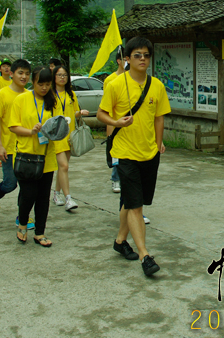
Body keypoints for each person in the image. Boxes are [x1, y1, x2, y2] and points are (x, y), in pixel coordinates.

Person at [97, 37, 170, 276]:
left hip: (149, 153)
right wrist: (116, 122)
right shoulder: (116, 84)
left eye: (146, 55)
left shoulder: (157, 86)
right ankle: (144, 255)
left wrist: (158, 143)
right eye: (137, 55)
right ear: (126, 59)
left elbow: (159, 117)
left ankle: (120, 241)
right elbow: (100, 114)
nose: (142, 59)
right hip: (124, 152)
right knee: (136, 206)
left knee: (132, 201)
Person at [8, 67, 61, 247]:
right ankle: (23, 224)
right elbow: (13, 126)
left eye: (48, 84)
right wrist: (31, 131)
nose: (44, 88)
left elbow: (58, 124)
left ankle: (40, 232)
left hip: (47, 156)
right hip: (27, 156)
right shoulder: (22, 99)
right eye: (41, 84)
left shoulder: (52, 101)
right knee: (28, 194)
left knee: (43, 197)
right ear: (33, 82)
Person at [0, 59, 35, 230]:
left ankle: (23, 217)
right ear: (11, 74)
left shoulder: (30, 95)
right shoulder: (1, 94)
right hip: (8, 147)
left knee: (26, 186)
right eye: (20, 73)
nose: (24, 77)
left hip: (26, 147)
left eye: (27, 74)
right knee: (10, 183)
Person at [51, 63, 89, 210]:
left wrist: (80, 113)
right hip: (56, 135)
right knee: (64, 166)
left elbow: (74, 113)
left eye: (65, 75)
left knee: (63, 167)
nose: (62, 77)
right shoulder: (50, 94)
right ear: (54, 77)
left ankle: (56, 194)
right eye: (59, 75)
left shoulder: (71, 94)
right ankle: (68, 199)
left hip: (69, 134)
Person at [102, 46, 126, 194]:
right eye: (125, 59)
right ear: (118, 61)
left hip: (129, 123)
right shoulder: (110, 80)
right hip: (115, 122)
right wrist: (110, 125)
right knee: (115, 151)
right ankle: (115, 179)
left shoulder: (131, 78)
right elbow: (107, 107)